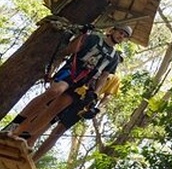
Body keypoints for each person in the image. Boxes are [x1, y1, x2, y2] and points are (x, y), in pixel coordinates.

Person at [1, 24, 130, 146]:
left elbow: (103, 76)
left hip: (83, 83)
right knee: (54, 91)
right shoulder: (94, 38)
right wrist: (82, 34)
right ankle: (17, 123)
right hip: (71, 71)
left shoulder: (114, 58)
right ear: (112, 30)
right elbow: (70, 50)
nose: (121, 36)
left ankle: (22, 134)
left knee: (56, 108)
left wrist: (95, 93)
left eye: (125, 36)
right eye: (120, 32)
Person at [30, 73, 120, 162]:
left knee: (59, 131)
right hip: (74, 92)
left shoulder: (115, 78)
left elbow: (108, 96)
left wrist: (98, 110)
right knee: (49, 117)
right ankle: (29, 143)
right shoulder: (99, 64)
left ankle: (34, 160)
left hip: (85, 104)